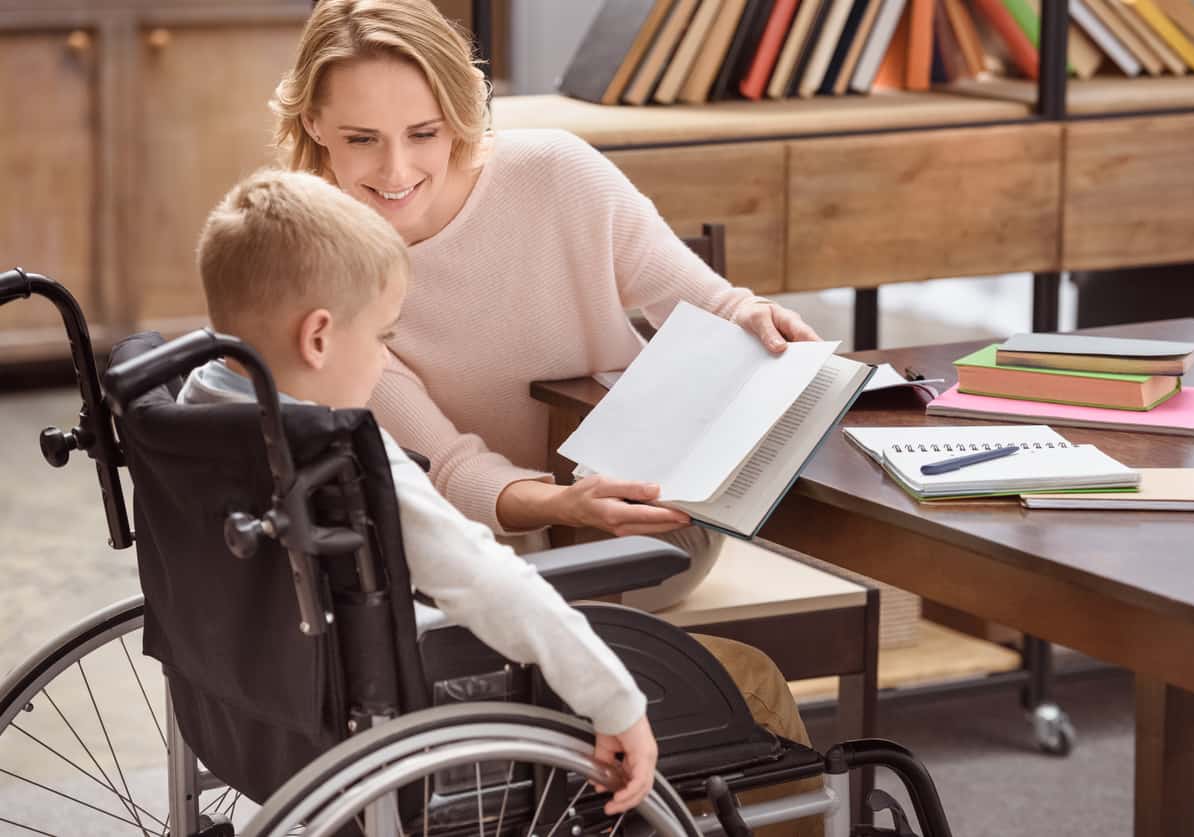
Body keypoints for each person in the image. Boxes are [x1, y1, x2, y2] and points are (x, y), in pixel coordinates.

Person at [272, 5, 821, 833]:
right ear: (313, 121)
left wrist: (754, 319)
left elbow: (702, 300)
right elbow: (447, 469)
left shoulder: (555, 174)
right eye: (360, 140)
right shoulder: (320, 271)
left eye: (424, 132)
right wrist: (558, 504)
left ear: (461, 113)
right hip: (474, 540)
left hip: (639, 511)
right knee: (718, 687)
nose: (395, 169)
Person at [180, 167, 656, 816]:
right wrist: (615, 700)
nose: (384, 360)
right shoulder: (340, 458)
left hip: (237, 695)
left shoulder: (189, 403)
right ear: (318, 337)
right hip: (356, 726)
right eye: (381, 337)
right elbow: (487, 582)